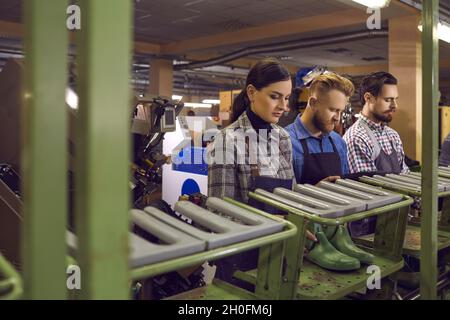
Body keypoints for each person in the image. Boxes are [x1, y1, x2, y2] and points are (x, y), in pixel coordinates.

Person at [207, 58, 316, 285]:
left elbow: (291, 196)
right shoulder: (227, 141)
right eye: (274, 96)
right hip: (241, 261)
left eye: (286, 98)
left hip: (281, 253)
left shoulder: (283, 138)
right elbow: (219, 216)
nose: (283, 107)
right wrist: (272, 222)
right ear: (251, 92)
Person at [285, 73, 354, 185]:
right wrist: (313, 192)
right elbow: (279, 194)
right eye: (333, 110)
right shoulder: (285, 141)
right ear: (313, 103)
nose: (337, 118)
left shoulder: (338, 142)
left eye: (340, 111)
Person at [344, 71, 409, 175]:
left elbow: (404, 173)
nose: (394, 106)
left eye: (395, 100)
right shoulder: (357, 138)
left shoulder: (393, 135)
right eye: (388, 100)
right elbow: (368, 186)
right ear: (368, 98)